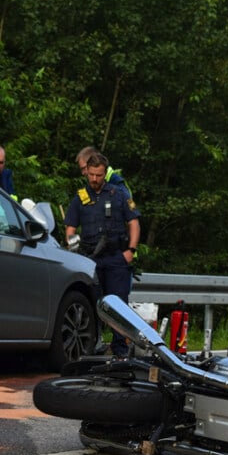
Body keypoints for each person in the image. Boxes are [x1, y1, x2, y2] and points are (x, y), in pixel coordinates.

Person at [64, 152, 141, 356]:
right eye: (91, 175)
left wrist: (130, 251)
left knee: (118, 305)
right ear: (87, 173)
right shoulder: (80, 197)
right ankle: (91, 346)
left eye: (98, 175)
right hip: (91, 260)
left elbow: (134, 222)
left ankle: (120, 349)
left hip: (116, 258)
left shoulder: (119, 194)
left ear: (104, 173)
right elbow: (70, 228)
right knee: (92, 303)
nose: (94, 179)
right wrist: (74, 251)